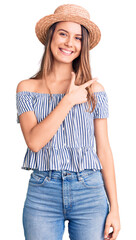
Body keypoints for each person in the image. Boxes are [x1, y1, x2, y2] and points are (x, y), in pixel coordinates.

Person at [16, 4, 121, 240]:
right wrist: (68, 101)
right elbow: (34, 141)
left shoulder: (95, 90)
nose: (69, 43)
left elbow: (103, 150)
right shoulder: (27, 88)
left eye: (77, 38)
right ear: (51, 36)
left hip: (89, 191)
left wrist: (115, 207)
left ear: (83, 46)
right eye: (63, 33)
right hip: (42, 193)